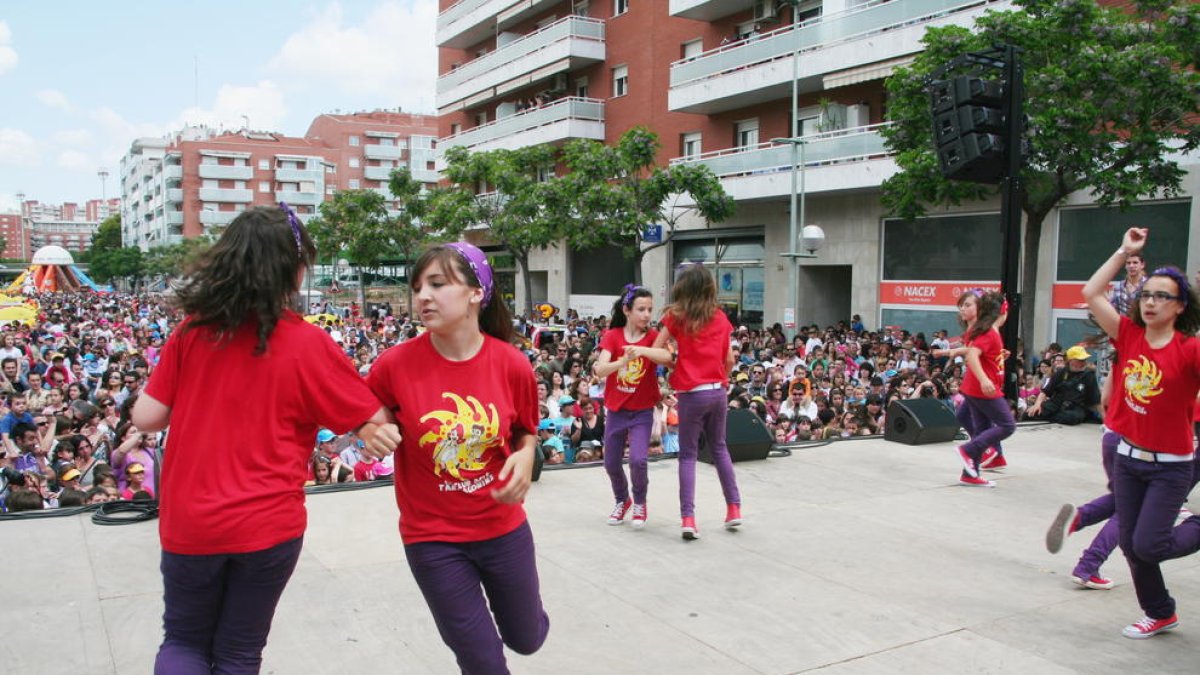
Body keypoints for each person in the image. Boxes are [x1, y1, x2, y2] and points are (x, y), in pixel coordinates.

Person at [130, 205, 400, 674]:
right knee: (237, 652)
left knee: (184, 642)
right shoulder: (310, 345)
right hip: (267, 528)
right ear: (294, 272)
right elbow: (373, 416)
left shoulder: (191, 333)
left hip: (192, 523)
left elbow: (148, 417)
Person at [364, 242, 549, 673]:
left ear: (475, 293)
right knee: (481, 660)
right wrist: (374, 431)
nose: (423, 296)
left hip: (503, 530)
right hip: (433, 540)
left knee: (527, 639)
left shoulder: (511, 365)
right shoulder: (393, 366)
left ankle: (529, 622)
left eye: (437, 284)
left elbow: (526, 431)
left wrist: (526, 454)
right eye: (417, 287)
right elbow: (367, 417)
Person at [1065, 227, 1200, 639]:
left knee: (1149, 545)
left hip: (1170, 467)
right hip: (1128, 458)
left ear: (1179, 307)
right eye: (1147, 295)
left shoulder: (1191, 350)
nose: (1151, 302)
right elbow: (1091, 292)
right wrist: (1125, 251)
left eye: (1162, 296)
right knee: (1129, 543)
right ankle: (1160, 612)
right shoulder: (1129, 334)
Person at [645, 264, 743, 540]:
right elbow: (730, 360)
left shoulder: (676, 317)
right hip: (718, 392)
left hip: (691, 393)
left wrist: (675, 359)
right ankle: (734, 508)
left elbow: (655, 351)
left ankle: (688, 518)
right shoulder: (722, 318)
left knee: (688, 455)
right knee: (720, 449)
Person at [593, 284, 660, 528]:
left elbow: (669, 357)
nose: (646, 315)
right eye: (641, 309)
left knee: (639, 460)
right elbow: (600, 370)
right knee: (610, 462)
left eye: (650, 310)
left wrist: (644, 350)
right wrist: (623, 360)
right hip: (616, 411)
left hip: (642, 411)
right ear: (627, 310)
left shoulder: (653, 337)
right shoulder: (612, 337)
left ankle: (640, 502)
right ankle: (623, 500)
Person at [934, 290, 1015, 487]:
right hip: (982, 388)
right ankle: (971, 450)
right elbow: (972, 355)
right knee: (1007, 425)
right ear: (1002, 314)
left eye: (967, 305)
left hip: (978, 386)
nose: (963, 308)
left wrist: (995, 357)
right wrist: (985, 379)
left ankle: (971, 473)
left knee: (982, 428)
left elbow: (975, 353)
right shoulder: (988, 332)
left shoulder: (986, 331)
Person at [1026, 345, 1101, 425]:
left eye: (1084, 360)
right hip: (1056, 404)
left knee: (1070, 417)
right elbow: (1045, 391)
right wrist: (1037, 405)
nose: (1084, 362)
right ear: (1071, 361)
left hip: (1075, 408)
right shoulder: (1061, 372)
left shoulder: (1089, 375)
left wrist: (1105, 418)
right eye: (1080, 360)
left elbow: (1096, 400)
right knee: (1029, 414)